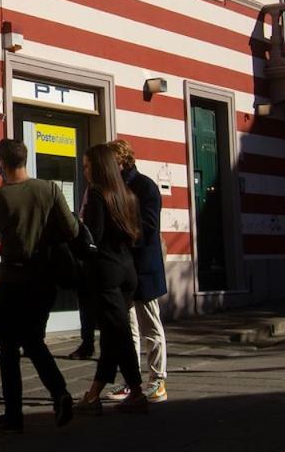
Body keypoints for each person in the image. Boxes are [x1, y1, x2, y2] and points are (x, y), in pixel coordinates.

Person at [0, 139, 77, 433]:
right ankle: (59, 392)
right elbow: (72, 230)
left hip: (13, 280)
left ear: (3, 164)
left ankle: (13, 414)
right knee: (34, 341)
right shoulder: (50, 189)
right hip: (44, 279)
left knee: (8, 349)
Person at [77, 143, 147, 415]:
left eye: (87, 166)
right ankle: (94, 395)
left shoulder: (97, 194)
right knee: (112, 335)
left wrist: (77, 234)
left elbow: (93, 237)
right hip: (127, 270)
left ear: (98, 167)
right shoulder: (127, 195)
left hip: (105, 272)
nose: (84, 171)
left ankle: (136, 392)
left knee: (119, 334)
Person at [103, 139, 169, 404]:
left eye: (111, 162)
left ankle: (158, 380)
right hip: (123, 267)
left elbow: (149, 226)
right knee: (127, 328)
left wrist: (121, 234)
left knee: (150, 325)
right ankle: (133, 381)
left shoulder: (145, 186)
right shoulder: (112, 188)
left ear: (122, 161)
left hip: (143, 268)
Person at [67, 183, 98, 361]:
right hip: (87, 256)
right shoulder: (89, 189)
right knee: (86, 303)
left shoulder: (101, 191)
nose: (86, 172)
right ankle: (87, 344)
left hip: (101, 258)